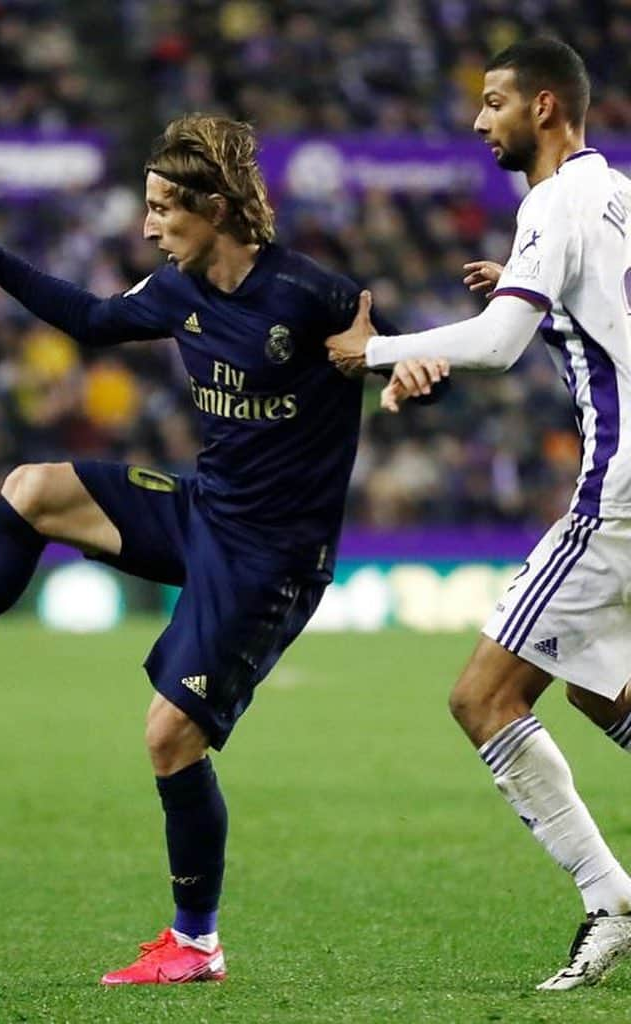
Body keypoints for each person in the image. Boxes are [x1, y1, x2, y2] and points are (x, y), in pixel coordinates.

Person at [0, 114, 445, 984]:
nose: (148, 226)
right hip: (205, 514)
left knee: (168, 740)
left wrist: (406, 367)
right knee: (31, 490)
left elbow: (410, 364)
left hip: (273, 560)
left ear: (214, 207)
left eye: (162, 209)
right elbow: (93, 319)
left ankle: (195, 943)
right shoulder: (179, 291)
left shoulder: (314, 295)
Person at [326, 37, 631, 991]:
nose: (477, 121)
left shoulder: (555, 200)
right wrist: (535, 299)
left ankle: (609, 900)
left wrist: (372, 353)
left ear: (545, 106)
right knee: (595, 689)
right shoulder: (616, 189)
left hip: (620, 486)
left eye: (493, 103)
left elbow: (498, 347)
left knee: (483, 698)